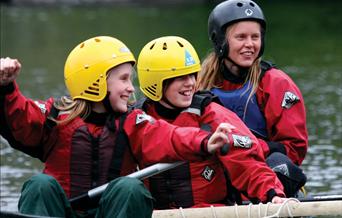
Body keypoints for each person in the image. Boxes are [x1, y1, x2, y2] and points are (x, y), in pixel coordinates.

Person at [0, 36, 232, 218]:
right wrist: (7, 86)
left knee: (130, 188)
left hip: (111, 213)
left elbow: (168, 137)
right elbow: (19, 116)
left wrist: (204, 141)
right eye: (123, 79)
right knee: (40, 185)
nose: (132, 88)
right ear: (95, 81)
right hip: (63, 212)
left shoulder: (133, 121)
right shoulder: (55, 117)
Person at [136, 35, 288, 209]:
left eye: (192, 75)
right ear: (156, 82)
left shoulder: (213, 115)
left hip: (211, 212)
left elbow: (248, 163)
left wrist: (272, 193)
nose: (191, 84)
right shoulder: (137, 120)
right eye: (180, 78)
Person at [196, 0, 308, 197]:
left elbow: (294, 148)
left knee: (280, 165)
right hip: (213, 175)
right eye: (240, 37)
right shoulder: (197, 84)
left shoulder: (276, 83)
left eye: (255, 37)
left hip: (264, 174)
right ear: (220, 40)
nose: (250, 44)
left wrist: (243, 146)